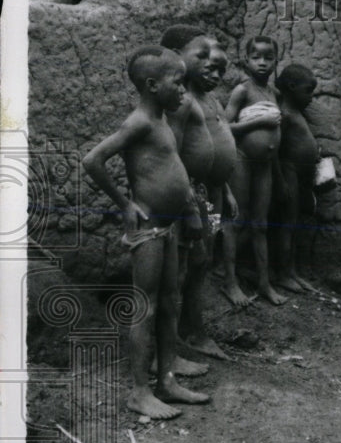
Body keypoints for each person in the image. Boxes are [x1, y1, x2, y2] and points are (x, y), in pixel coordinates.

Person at [82, 46, 211, 419]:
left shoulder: (162, 119)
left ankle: (166, 380)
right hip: (149, 229)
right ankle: (139, 391)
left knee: (170, 302)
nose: (184, 90)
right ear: (153, 85)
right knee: (146, 306)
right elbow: (93, 160)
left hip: (169, 226)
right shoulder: (139, 121)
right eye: (178, 82)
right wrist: (125, 204)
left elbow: (168, 167)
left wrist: (188, 207)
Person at [161, 25, 240, 359]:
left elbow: (217, 146)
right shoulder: (181, 101)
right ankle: (172, 340)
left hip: (211, 194)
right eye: (204, 59)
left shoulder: (213, 100)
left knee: (202, 261)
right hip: (189, 197)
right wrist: (190, 203)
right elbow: (173, 156)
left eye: (220, 67)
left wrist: (227, 191)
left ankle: (194, 331)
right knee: (178, 268)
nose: (214, 68)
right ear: (177, 59)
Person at [225, 35, 287, 305]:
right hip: (242, 160)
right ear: (246, 60)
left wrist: (279, 174)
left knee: (260, 225)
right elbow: (225, 128)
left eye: (268, 57)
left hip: (265, 166)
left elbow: (275, 134)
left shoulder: (274, 94)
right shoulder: (243, 91)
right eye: (256, 57)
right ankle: (229, 281)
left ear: (276, 61)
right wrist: (260, 120)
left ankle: (264, 284)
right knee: (236, 220)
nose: (262, 62)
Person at [273, 63, 321, 294]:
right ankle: (283, 274)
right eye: (308, 91)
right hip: (289, 172)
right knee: (287, 226)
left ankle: (291, 271)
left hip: (300, 176)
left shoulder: (295, 113)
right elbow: (273, 150)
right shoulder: (284, 115)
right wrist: (281, 180)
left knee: (294, 225)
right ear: (291, 88)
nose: (311, 98)